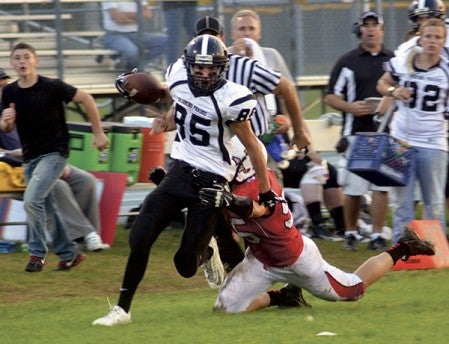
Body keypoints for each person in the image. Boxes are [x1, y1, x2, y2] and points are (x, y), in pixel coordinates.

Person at [92, 34, 274, 326]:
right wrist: (145, 94)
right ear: (188, 66)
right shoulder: (177, 77)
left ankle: (207, 249)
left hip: (212, 183)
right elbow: (174, 98)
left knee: (185, 265)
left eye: (210, 69)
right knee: (140, 233)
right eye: (199, 68)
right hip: (179, 171)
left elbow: (253, 146)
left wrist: (266, 193)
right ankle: (122, 309)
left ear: (221, 68)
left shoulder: (233, 98)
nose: (204, 74)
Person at [197, 139, 435, 313]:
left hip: (298, 260)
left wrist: (230, 201)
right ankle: (283, 297)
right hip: (260, 259)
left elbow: (258, 209)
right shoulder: (229, 186)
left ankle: (404, 246)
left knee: (353, 290)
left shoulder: (258, 185)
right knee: (226, 310)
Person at [228, 9, 345, 240]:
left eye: (251, 29)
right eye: (242, 29)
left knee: (270, 187)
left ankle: (277, 236)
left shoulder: (270, 56)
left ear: (259, 33)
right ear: (233, 33)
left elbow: (287, 93)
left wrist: (291, 123)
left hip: (269, 138)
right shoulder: (227, 59)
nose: (247, 33)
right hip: (236, 140)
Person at [0, 42, 109, 272]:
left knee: (32, 200)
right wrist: (7, 122)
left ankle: (37, 255)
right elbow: (7, 127)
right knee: (47, 206)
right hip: (30, 157)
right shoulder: (9, 92)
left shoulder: (52, 86)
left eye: (26, 57)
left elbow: (87, 99)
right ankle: (70, 254)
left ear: (35, 61)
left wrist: (98, 132)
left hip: (55, 153)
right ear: (11, 62)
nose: (22, 62)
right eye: (17, 58)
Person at [324, 11, 394, 251]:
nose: (371, 29)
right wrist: (351, 108)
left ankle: (376, 234)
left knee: (381, 187)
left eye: (375, 25)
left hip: (385, 133)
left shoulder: (393, 60)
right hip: (357, 133)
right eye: (367, 25)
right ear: (359, 30)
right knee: (355, 188)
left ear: (382, 30)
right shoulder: (348, 61)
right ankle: (351, 232)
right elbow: (331, 96)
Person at [377, 18, 449, 243]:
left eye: (437, 37)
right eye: (428, 36)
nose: (432, 41)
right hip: (401, 140)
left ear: (444, 41)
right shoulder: (404, 60)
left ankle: (434, 248)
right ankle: (401, 251)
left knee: (434, 202)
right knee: (401, 202)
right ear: (420, 37)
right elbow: (382, 83)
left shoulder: (446, 69)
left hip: (433, 141)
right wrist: (394, 91)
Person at [101, 1, 167, 71]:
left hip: (137, 34)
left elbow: (148, 15)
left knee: (167, 41)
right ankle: (139, 68)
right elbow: (118, 19)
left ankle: (137, 66)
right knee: (132, 51)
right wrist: (139, 17)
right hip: (115, 35)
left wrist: (124, 15)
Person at [162, 0, 198, 66]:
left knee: (196, 38)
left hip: (191, 4)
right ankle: (172, 69)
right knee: (172, 40)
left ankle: (197, 65)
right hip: (173, 5)